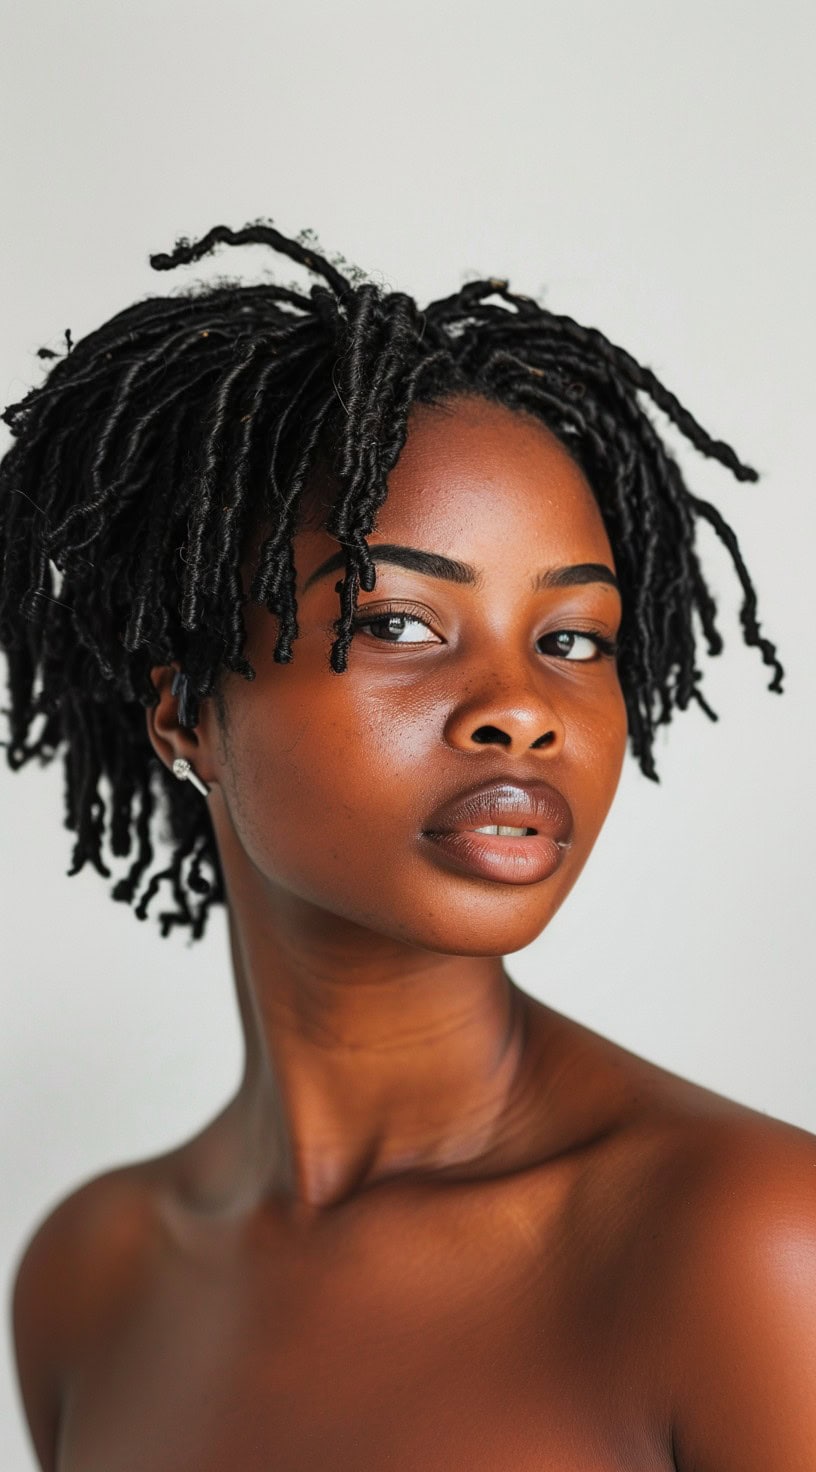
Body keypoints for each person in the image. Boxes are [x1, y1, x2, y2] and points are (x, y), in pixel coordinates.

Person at [2, 219, 813, 1471]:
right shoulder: (90, 1277)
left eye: (575, 638)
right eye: (397, 619)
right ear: (183, 710)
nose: (523, 703)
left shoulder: (749, 1243)